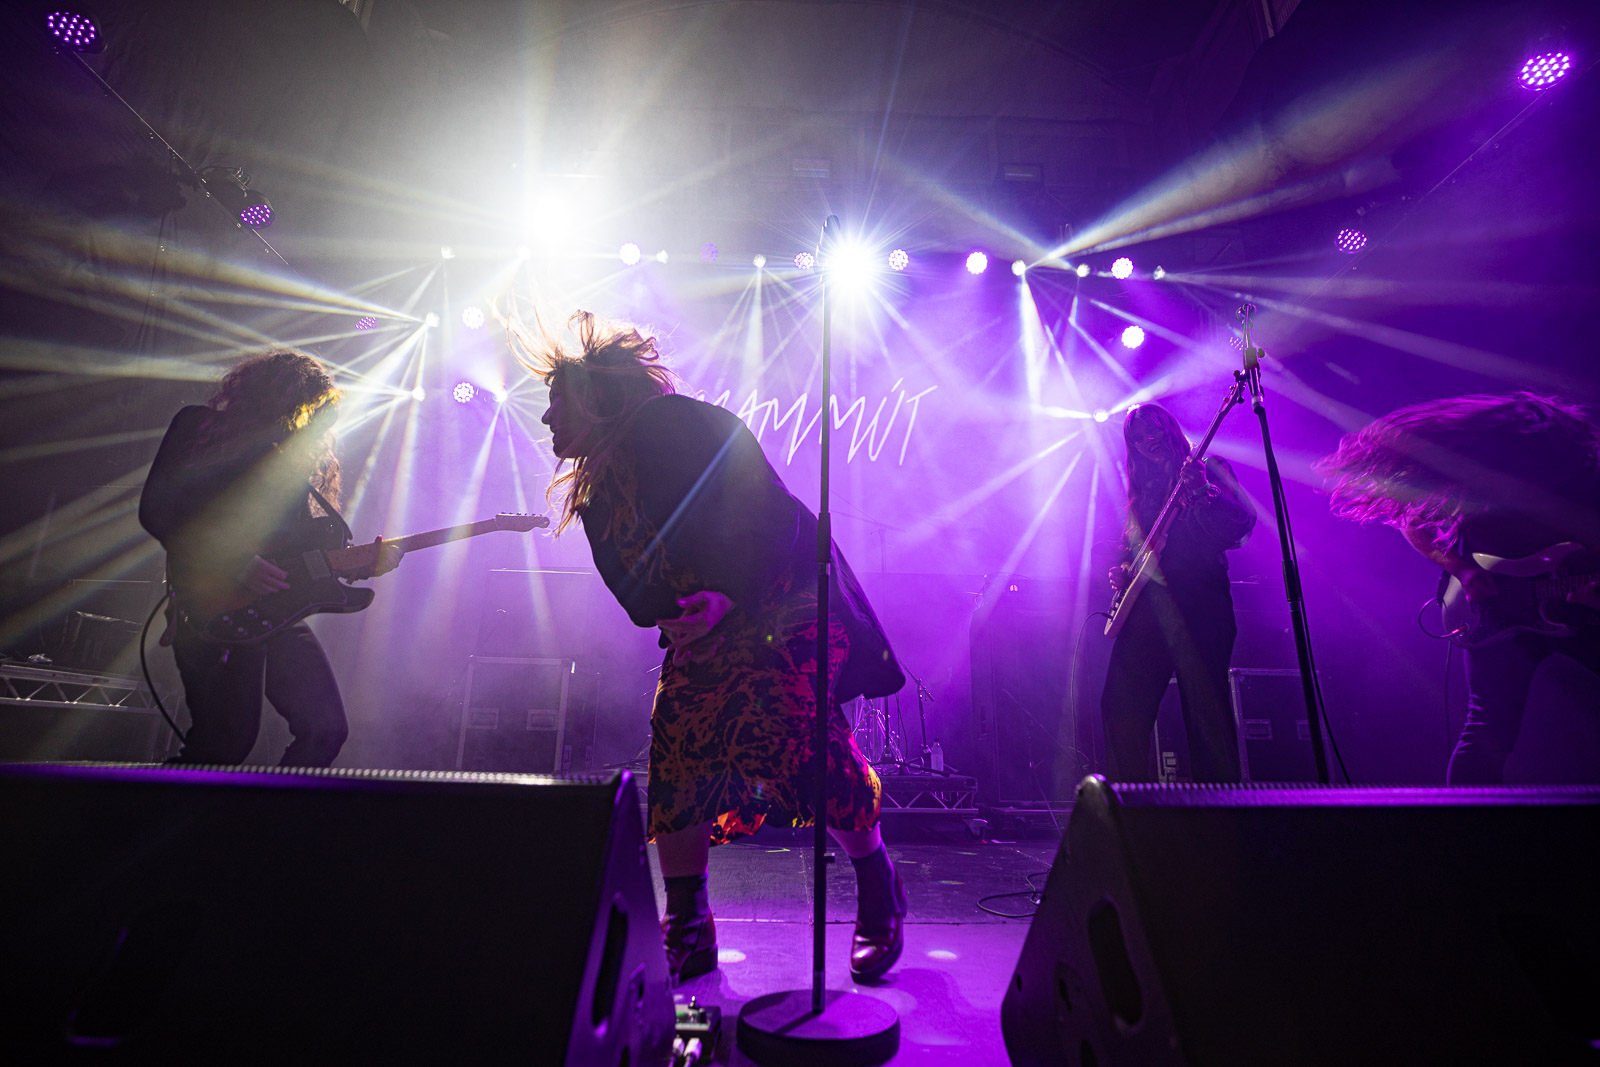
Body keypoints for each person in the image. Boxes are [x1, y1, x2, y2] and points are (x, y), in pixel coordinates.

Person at [513, 310, 907, 985]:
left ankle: (877, 883)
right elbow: (634, 594)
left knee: (792, 731)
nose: (547, 419)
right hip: (715, 621)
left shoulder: (674, 425)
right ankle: (689, 925)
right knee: (678, 739)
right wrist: (679, 616)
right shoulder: (596, 493)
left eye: (557, 403)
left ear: (595, 397)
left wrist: (725, 592)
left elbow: (767, 513)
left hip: (783, 596)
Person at [1318, 392, 1600, 784]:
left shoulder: (1580, 479)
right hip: (1495, 617)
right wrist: (1462, 570)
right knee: (1487, 731)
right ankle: (1468, 820)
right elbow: (1411, 523)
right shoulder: (1478, 474)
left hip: (1576, 607)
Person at [139, 350, 399, 766]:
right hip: (214, 606)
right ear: (284, 399)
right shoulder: (199, 426)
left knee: (324, 730)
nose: (317, 420)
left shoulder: (289, 463)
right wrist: (233, 563)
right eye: (311, 407)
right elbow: (157, 510)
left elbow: (300, 557)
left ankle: (273, 809)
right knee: (223, 745)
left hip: (278, 612)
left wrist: (356, 566)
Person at [1101, 403, 1256, 782]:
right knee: (1120, 704)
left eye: (1153, 431)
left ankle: (1219, 810)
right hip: (1147, 611)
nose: (1147, 441)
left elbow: (1241, 526)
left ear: (1169, 429)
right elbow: (1136, 551)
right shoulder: (1142, 492)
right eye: (1138, 439)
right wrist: (1124, 571)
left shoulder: (1207, 468)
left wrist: (1202, 490)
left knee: (1206, 714)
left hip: (1200, 604)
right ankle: (1129, 805)